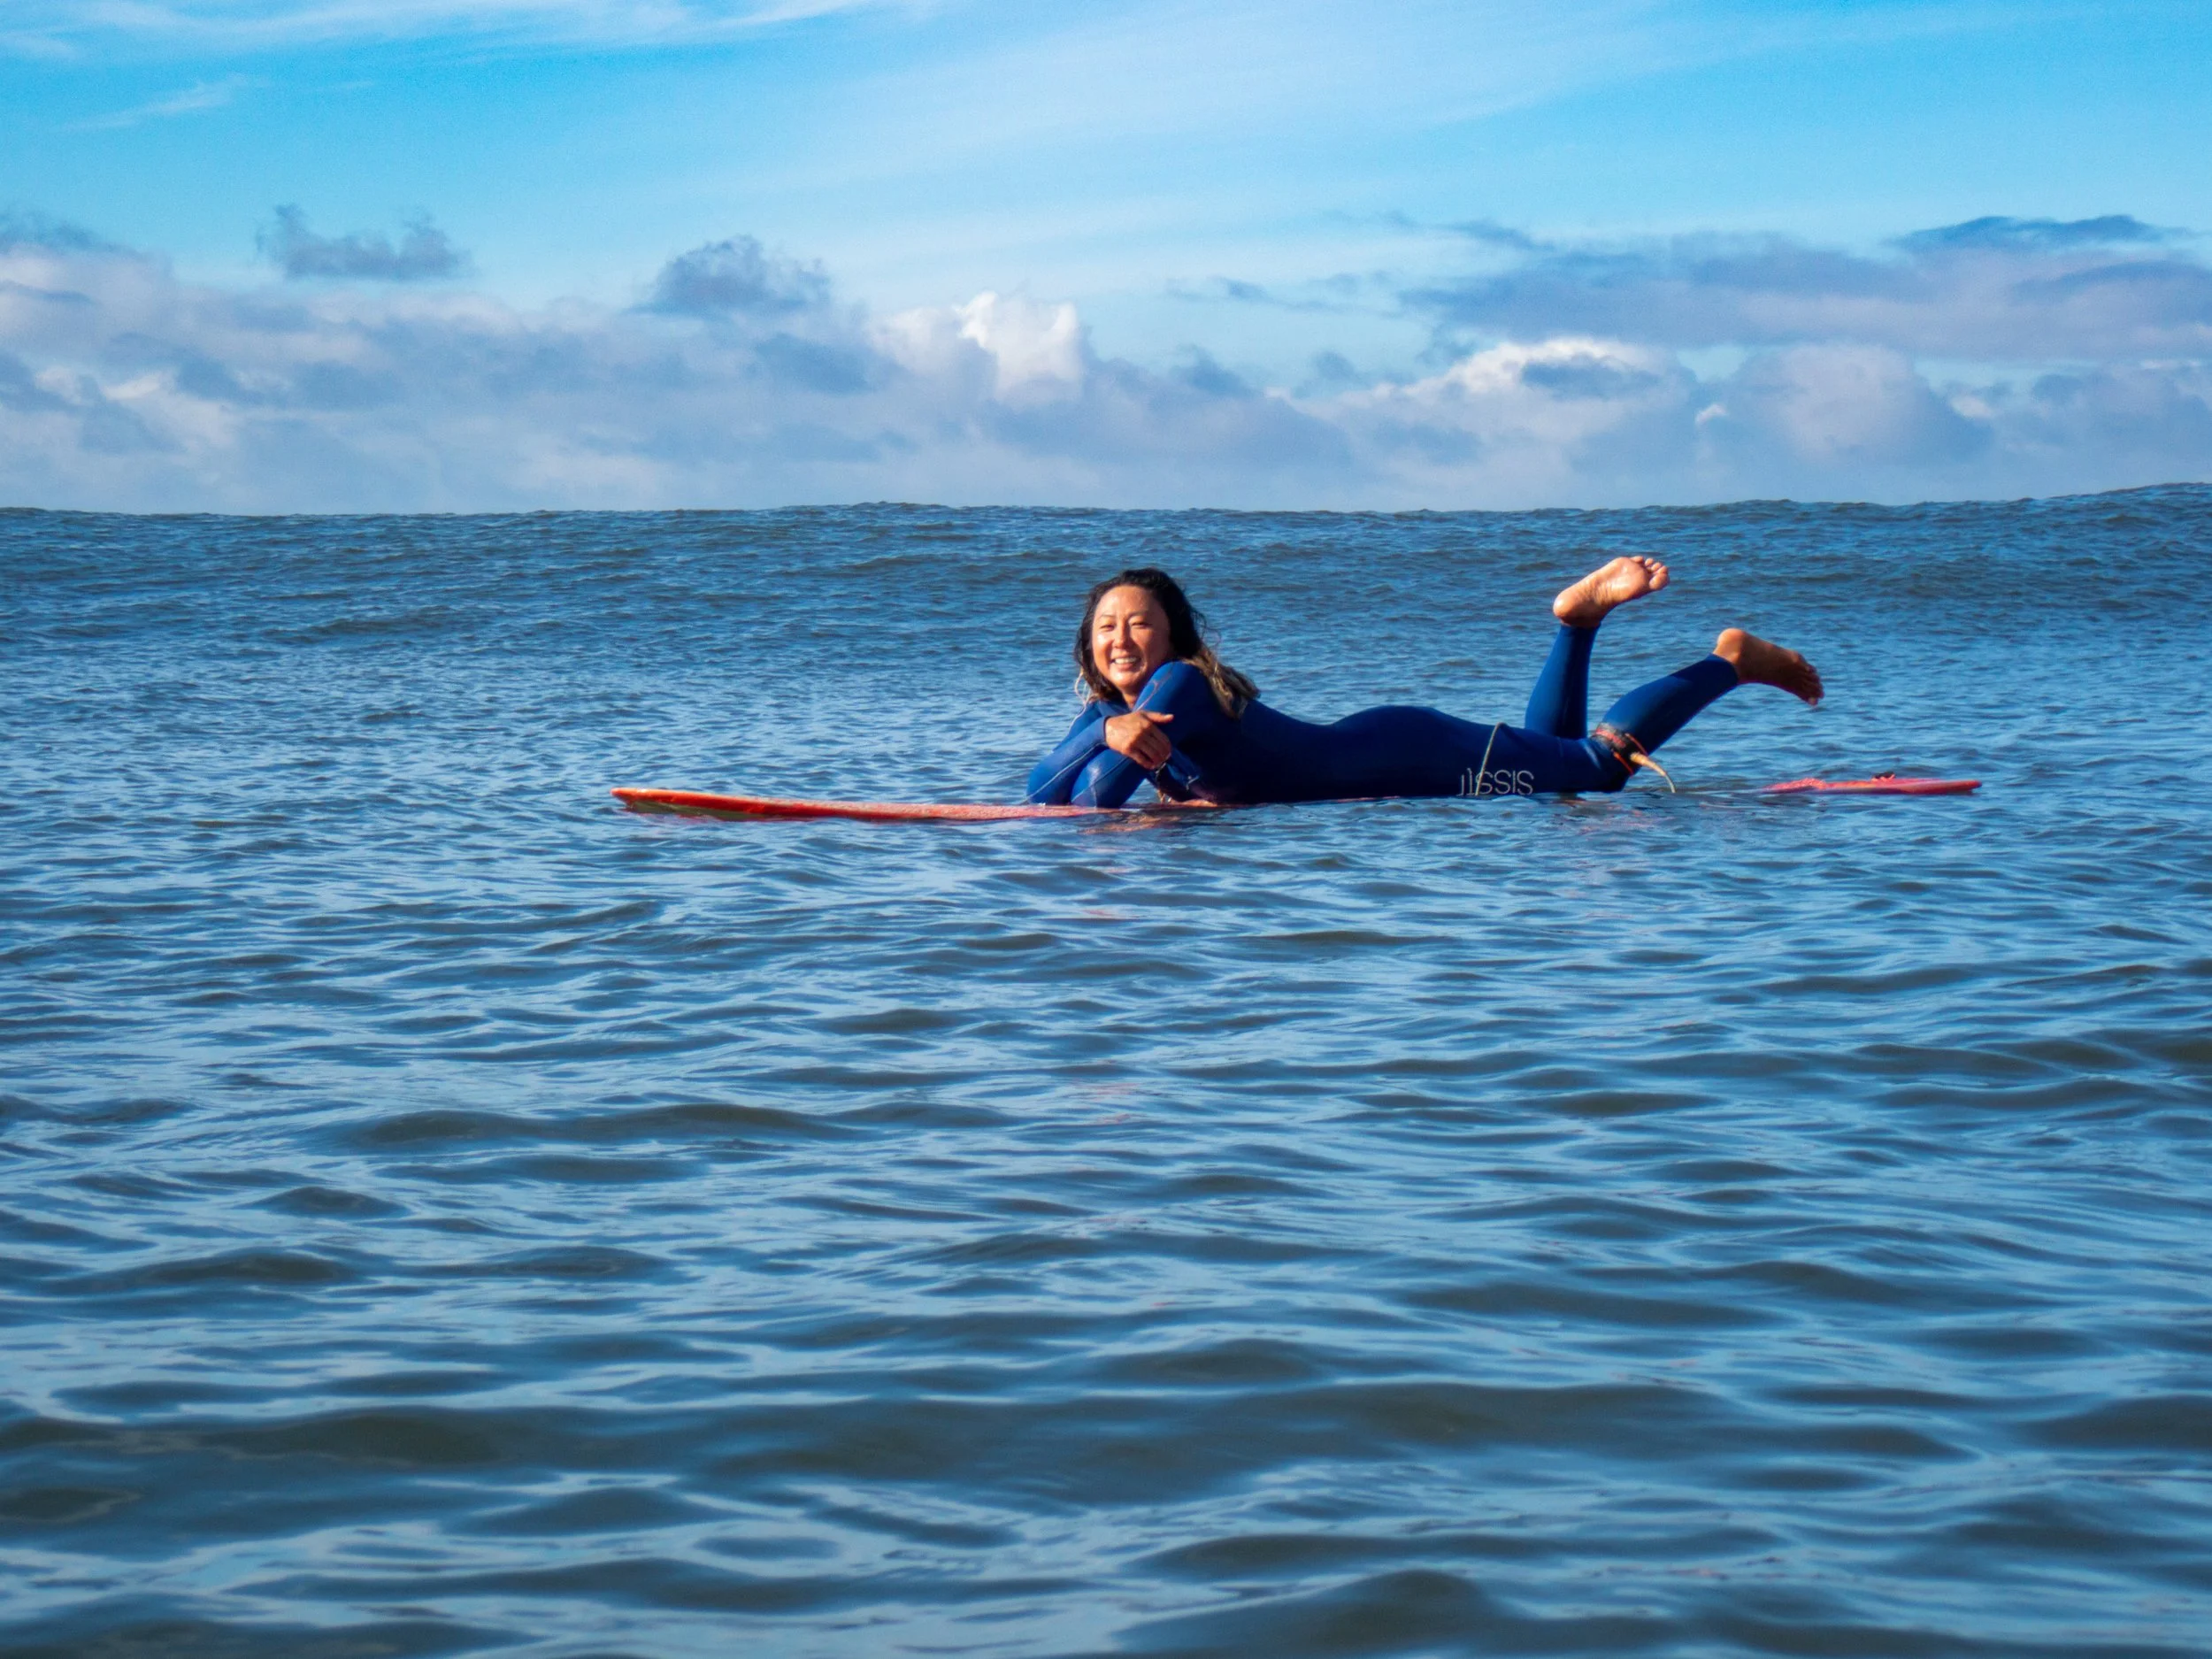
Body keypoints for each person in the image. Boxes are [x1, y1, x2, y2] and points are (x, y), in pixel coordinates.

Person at [1025, 559, 1822, 808]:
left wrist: (1110, 743)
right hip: (1389, 746)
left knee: (1599, 769)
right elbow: (1039, 794)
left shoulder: (1181, 688)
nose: (1121, 638)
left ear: (1173, 639)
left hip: (1413, 758)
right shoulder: (1117, 712)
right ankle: (1577, 624)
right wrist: (1102, 728)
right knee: (1556, 773)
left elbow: (1090, 802)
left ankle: (1731, 662)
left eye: (1138, 622)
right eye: (1105, 628)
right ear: (1090, 653)